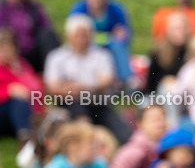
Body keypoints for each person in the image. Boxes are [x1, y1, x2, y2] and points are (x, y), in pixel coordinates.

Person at [43, 13, 132, 144]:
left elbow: (107, 80)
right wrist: (86, 88)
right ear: (69, 36)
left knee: (124, 134)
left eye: (85, 35)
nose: (82, 39)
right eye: (78, 35)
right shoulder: (57, 57)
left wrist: (80, 87)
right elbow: (53, 87)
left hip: (98, 101)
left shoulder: (101, 55)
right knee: (83, 124)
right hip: (71, 103)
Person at [69, 0, 134, 85]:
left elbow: (124, 36)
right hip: (87, 47)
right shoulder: (79, 10)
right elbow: (75, 36)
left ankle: (126, 81)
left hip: (111, 48)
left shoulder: (116, 10)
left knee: (117, 46)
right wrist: (108, 36)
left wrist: (98, 37)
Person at [0, 0, 57, 74]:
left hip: (33, 50)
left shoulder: (33, 7)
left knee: (47, 35)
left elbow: (47, 26)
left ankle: (51, 72)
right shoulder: (2, 9)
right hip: (13, 51)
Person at [0, 28, 46, 148]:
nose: (5, 52)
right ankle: (25, 139)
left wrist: (19, 73)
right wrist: (8, 91)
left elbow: (36, 89)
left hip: (23, 115)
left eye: (8, 48)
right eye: (2, 48)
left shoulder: (22, 66)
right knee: (19, 101)